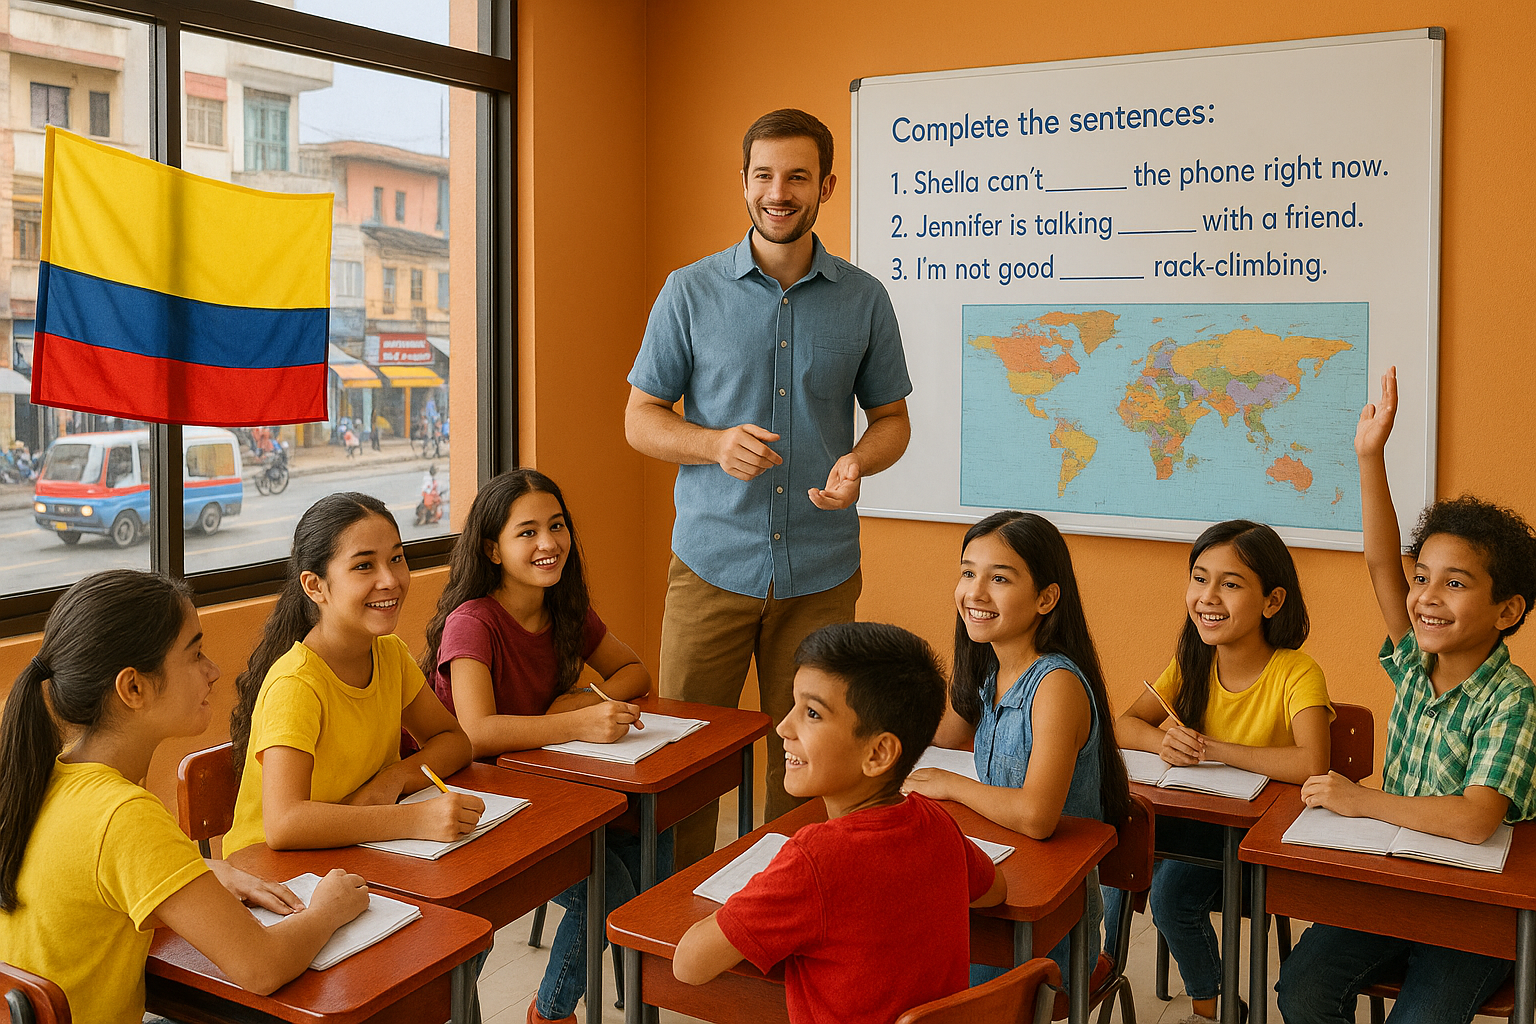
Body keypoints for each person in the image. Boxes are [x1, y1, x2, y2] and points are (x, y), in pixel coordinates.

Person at [625, 107, 913, 866]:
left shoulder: (864, 298)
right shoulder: (688, 292)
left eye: (795, 177)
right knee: (687, 766)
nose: (777, 192)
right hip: (710, 567)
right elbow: (640, 420)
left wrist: (859, 462)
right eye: (763, 175)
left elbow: (891, 420)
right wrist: (713, 443)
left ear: (826, 185)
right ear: (745, 181)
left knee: (814, 775)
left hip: (820, 575)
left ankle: (798, 925)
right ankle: (678, 930)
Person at [1277, 367, 1536, 1024]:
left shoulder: (1512, 701)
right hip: (1392, 885)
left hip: (1472, 911)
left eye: (1455, 584)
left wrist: (1361, 800)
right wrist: (1370, 457)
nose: (1424, 596)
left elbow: (1476, 819)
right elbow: (1378, 561)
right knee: (1301, 987)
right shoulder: (1415, 662)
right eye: (1423, 578)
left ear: (1507, 610)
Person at [0, 570, 370, 1023]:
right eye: (195, 654)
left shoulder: (41, 778)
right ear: (133, 688)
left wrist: (198, 871)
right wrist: (326, 911)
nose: (213, 671)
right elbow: (261, 966)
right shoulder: (122, 815)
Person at [419, 468, 666, 1024]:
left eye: (557, 527)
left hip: (543, 790)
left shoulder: (565, 612)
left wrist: (579, 701)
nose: (548, 543)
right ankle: (552, 1013)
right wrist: (574, 724)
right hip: (472, 802)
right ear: (493, 549)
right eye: (527, 532)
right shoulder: (472, 622)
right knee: (612, 885)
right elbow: (476, 732)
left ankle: (564, 1007)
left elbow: (634, 672)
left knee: (652, 843)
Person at [672, 621, 1007, 1024]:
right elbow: (994, 890)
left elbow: (688, 964)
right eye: (794, 705)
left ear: (879, 753)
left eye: (812, 713)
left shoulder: (814, 859)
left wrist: (767, 894)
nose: (783, 727)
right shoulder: (934, 822)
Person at [1113, 519, 1331, 1023]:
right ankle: (1103, 968)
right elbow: (1124, 723)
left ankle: (1214, 1002)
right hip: (1195, 817)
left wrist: (1215, 748)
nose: (1208, 596)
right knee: (1113, 851)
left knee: (1168, 895)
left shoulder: (1296, 672)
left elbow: (1311, 763)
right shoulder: (1192, 660)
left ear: (1272, 601)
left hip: (1255, 838)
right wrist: (1162, 740)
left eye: (1230, 584)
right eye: (1199, 577)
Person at [903, 510, 1131, 987]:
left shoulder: (1056, 685)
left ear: (1046, 597)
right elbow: (943, 733)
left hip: (1051, 924)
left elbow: (1036, 817)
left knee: (919, 975)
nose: (975, 593)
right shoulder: (993, 669)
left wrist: (950, 784)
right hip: (999, 882)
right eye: (968, 572)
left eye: (999, 578)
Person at [223, 492, 481, 857]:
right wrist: (414, 819)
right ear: (315, 586)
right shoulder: (296, 685)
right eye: (364, 566)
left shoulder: (390, 654)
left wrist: (394, 779)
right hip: (275, 873)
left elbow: (454, 741)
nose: (390, 580)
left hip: (354, 852)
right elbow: (284, 825)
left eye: (396, 558)